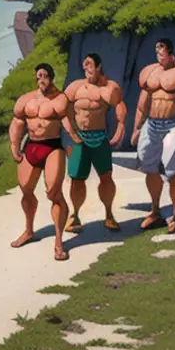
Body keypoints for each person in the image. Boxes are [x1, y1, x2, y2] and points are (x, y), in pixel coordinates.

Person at [131, 38, 175, 234]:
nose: (159, 55)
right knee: (149, 167)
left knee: (172, 171)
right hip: (151, 125)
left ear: (172, 55)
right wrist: (136, 127)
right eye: (157, 51)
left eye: (162, 52)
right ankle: (155, 211)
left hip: (172, 125)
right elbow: (142, 101)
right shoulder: (149, 72)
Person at [8, 62, 71, 261]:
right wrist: (14, 146)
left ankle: (59, 241)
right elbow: (17, 123)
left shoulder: (60, 99)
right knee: (26, 189)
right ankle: (29, 231)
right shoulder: (26, 100)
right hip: (32, 146)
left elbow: (70, 125)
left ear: (51, 77)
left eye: (44, 76)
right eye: (38, 76)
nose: (41, 79)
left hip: (52, 147)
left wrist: (73, 147)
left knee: (54, 192)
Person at [62, 52, 126, 234]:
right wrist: (71, 131)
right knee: (76, 179)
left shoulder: (108, 87)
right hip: (79, 139)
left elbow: (119, 104)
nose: (86, 68)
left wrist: (120, 127)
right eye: (84, 65)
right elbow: (62, 108)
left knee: (106, 177)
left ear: (98, 66)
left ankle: (109, 214)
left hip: (99, 138)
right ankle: (74, 215)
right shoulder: (75, 87)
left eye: (90, 64)